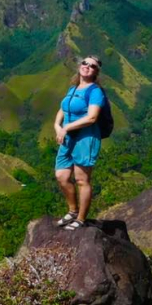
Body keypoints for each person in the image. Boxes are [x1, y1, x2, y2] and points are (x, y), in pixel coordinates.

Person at [53, 55, 106, 230]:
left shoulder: (95, 92)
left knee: (82, 180)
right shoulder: (74, 88)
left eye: (92, 66)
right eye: (85, 63)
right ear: (79, 66)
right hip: (68, 138)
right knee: (61, 176)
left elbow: (92, 118)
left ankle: (81, 219)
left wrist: (66, 128)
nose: (87, 67)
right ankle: (73, 210)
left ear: (96, 72)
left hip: (85, 138)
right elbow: (63, 108)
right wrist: (57, 125)